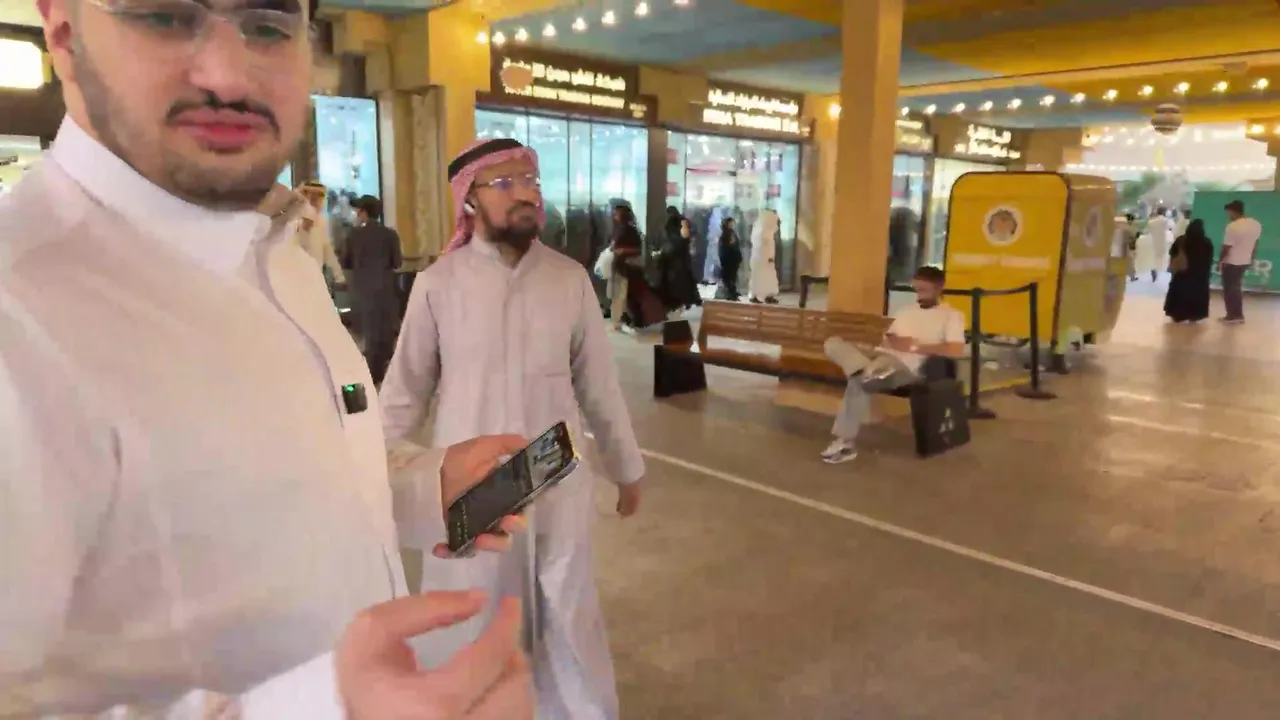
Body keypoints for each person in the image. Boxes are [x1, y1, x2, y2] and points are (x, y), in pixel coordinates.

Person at [1, 0, 535, 714]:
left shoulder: (277, 248)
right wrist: (328, 708)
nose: (228, 75)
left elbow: (273, 489)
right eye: (165, 16)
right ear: (64, 32)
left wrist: (418, 489)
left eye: (267, 25)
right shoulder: (19, 318)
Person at [380, 137, 646, 720]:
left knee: (568, 613)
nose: (525, 193)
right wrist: (371, 482)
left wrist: (627, 469)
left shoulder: (568, 279)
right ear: (469, 198)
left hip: (558, 470)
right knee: (474, 615)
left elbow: (599, 386)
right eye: (505, 183)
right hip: (476, 482)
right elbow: (403, 395)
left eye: (531, 181)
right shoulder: (438, 284)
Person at [820, 266, 965, 464]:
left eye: (924, 290)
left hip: (905, 366)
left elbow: (955, 350)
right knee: (833, 343)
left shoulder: (951, 315)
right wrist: (892, 343)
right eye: (917, 289)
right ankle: (865, 369)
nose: (919, 294)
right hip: (880, 355)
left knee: (858, 382)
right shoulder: (906, 311)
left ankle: (845, 442)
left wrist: (914, 346)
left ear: (939, 288)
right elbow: (887, 339)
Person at [341, 194, 403, 384]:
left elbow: (346, 262)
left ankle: (370, 376)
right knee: (385, 334)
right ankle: (385, 374)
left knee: (367, 335)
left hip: (361, 292)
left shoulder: (353, 235)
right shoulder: (390, 234)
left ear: (363, 212)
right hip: (386, 291)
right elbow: (397, 262)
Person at [294, 180, 346, 286]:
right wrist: (305, 227)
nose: (316, 200)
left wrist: (338, 275)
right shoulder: (294, 218)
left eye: (319, 196)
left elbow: (326, 247)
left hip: (316, 274)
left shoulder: (321, 219)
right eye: (311, 196)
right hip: (297, 275)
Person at [1219, 199, 1261, 324]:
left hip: (1231, 261)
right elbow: (1255, 244)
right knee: (1236, 287)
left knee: (1230, 289)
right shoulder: (1255, 224)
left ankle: (1233, 315)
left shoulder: (1232, 226)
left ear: (1233, 211)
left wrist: (1220, 260)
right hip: (1245, 260)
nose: (1228, 216)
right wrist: (1251, 258)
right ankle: (1237, 314)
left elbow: (1226, 247)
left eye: (1228, 213)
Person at [1164, 218, 1214, 323]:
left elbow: (1172, 252)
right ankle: (1195, 315)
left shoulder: (1181, 240)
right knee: (1197, 294)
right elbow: (1209, 258)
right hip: (1200, 274)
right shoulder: (1206, 242)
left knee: (1180, 293)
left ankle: (1177, 314)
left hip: (1182, 272)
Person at [655, 207, 702, 313]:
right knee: (680, 283)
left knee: (677, 284)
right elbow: (684, 238)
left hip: (675, 260)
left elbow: (682, 239)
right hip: (678, 260)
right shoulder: (680, 223)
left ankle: (675, 305)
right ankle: (678, 304)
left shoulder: (674, 224)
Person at [748, 208, 781, 304]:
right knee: (767, 277)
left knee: (758, 277)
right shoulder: (766, 232)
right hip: (765, 259)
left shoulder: (758, 229)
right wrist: (770, 257)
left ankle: (756, 295)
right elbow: (767, 246)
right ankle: (766, 295)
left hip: (758, 259)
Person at [1139, 207, 1170, 282]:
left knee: (1153, 257)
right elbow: (1168, 229)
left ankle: (1153, 270)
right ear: (1164, 212)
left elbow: (1148, 231)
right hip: (1162, 242)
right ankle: (1160, 270)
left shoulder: (1151, 222)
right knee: (1161, 258)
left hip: (1153, 241)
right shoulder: (1166, 221)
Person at [718, 216, 743, 301]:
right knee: (729, 278)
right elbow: (723, 248)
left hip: (734, 260)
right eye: (730, 223)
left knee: (732, 277)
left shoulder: (733, 233)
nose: (732, 225)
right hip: (728, 260)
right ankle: (731, 294)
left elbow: (736, 246)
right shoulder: (725, 235)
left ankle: (732, 293)